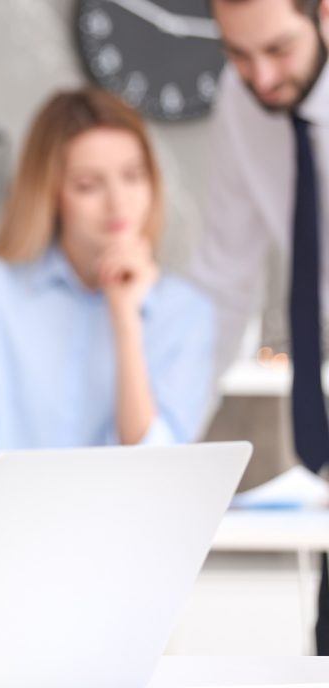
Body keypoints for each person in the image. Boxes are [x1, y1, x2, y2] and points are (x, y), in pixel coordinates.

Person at [0, 87, 215, 653]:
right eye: (89, 185)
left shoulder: (186, 315)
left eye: (133, 176)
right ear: (53, 193)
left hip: (111, 588)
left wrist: (125, 318)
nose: (118, 204)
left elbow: (157, 470)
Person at [193, 0, 329, 654]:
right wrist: (163, 440)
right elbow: (223, 282)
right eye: (238, 54)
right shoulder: (243, 100)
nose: (262, 77)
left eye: (278, 49)